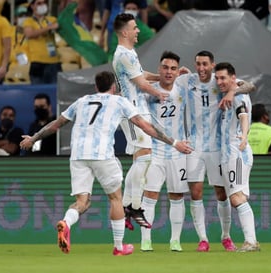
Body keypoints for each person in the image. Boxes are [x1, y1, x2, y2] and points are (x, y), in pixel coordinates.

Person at [19, 70, 192, 256]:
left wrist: (33, 138)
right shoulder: (119, 101)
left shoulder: (82, 101)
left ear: (96, 87)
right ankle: (119, 247)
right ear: (114, 87)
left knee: (82, 202)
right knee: (116, 199)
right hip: (102, 154)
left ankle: (66, 222)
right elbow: (145, 126)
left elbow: (56, 124)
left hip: (78, 155)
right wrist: (174, 142)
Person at [175, 50, 255, 252]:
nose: (201, 68)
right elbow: (165, 83)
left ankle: (227, 237)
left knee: (224, 194)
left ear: (212, 64)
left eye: (205, 64)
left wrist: (231, 91)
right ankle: (203, 239)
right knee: (196, 193)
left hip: (220, 149)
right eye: (198, 64)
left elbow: (250, 87)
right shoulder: (188, 81)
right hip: (194, 146)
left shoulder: (225, 83)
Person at [112, 13, 167, 230]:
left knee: (142, 156)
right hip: (132, 111)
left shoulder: (128, 53)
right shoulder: (123, 54)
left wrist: (162, 78)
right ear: (125, 32)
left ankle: (128, 207)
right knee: (144, 155)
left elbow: (141, 74)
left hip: (137, 110)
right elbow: (141, 84)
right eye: (134, 28)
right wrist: (160, 93)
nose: (138, 31)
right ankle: (133, 205)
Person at [140, 51, 188, 252]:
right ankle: (146, 240)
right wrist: (152, 78)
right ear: (159, 69)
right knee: (149, 196)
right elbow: (128, 78)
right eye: (165, 68)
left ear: (178, 72)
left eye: (173, 68)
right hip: (155, 151)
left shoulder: (184, 90)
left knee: (177, 196)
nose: (169, 72)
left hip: (178, 152)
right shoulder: (147, 91)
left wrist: (188, 74)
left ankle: (175, 240)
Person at [215, 62, 260, 252]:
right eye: (217, 78)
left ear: (234, 78)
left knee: (237, 197)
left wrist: (244, 135)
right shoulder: (232, 92)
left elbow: (242, 115)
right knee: (234, 197)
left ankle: (251, 241)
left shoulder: (238, 96)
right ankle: (250, 241)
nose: (219, 81)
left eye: (223, 78)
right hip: (228, 153)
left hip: (237, 151)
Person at [22, 0, 62, 84]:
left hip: (54, 62)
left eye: (44, 3)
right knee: (38, 92)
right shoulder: (28, 21)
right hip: (37, 62)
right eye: (39, 3)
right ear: (32, 6)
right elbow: (29, 34)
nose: (42, 5)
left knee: (56, 93)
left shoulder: (52, 20)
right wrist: (48, 28)